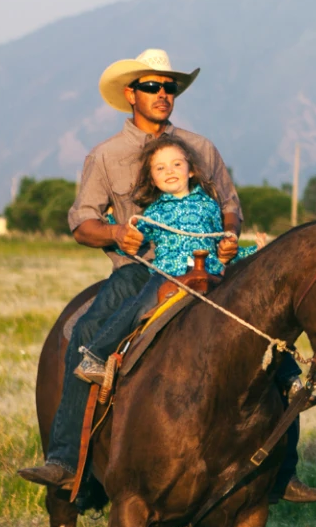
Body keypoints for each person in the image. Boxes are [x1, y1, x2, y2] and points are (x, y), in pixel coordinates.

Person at [17, 48, 316, 503]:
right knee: (86, 333)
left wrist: (229, 236)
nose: (163, 94)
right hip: (139, 272)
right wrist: (114, 233)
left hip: (211, 270)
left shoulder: (201, 148)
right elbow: (81, 222)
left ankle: (284, 472)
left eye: (169, 87)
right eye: (151, 86)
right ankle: (68, 462)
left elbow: (230, 206)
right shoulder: (105, 156)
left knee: (270, 339)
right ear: (131, 94)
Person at [69, 136, 228, 387]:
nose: (170, 171)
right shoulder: (154, 212)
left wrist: (240, 251)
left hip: (209, 272)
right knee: (138, 307)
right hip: (166, 274)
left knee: (248, 308)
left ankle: (288, 375)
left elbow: (218, 240)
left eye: (177, 164)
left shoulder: (209, 205)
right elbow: (135, 237)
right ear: (152, 178)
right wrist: (116, 229)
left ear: (191, 170)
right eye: (160, 168)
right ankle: (95, 356)